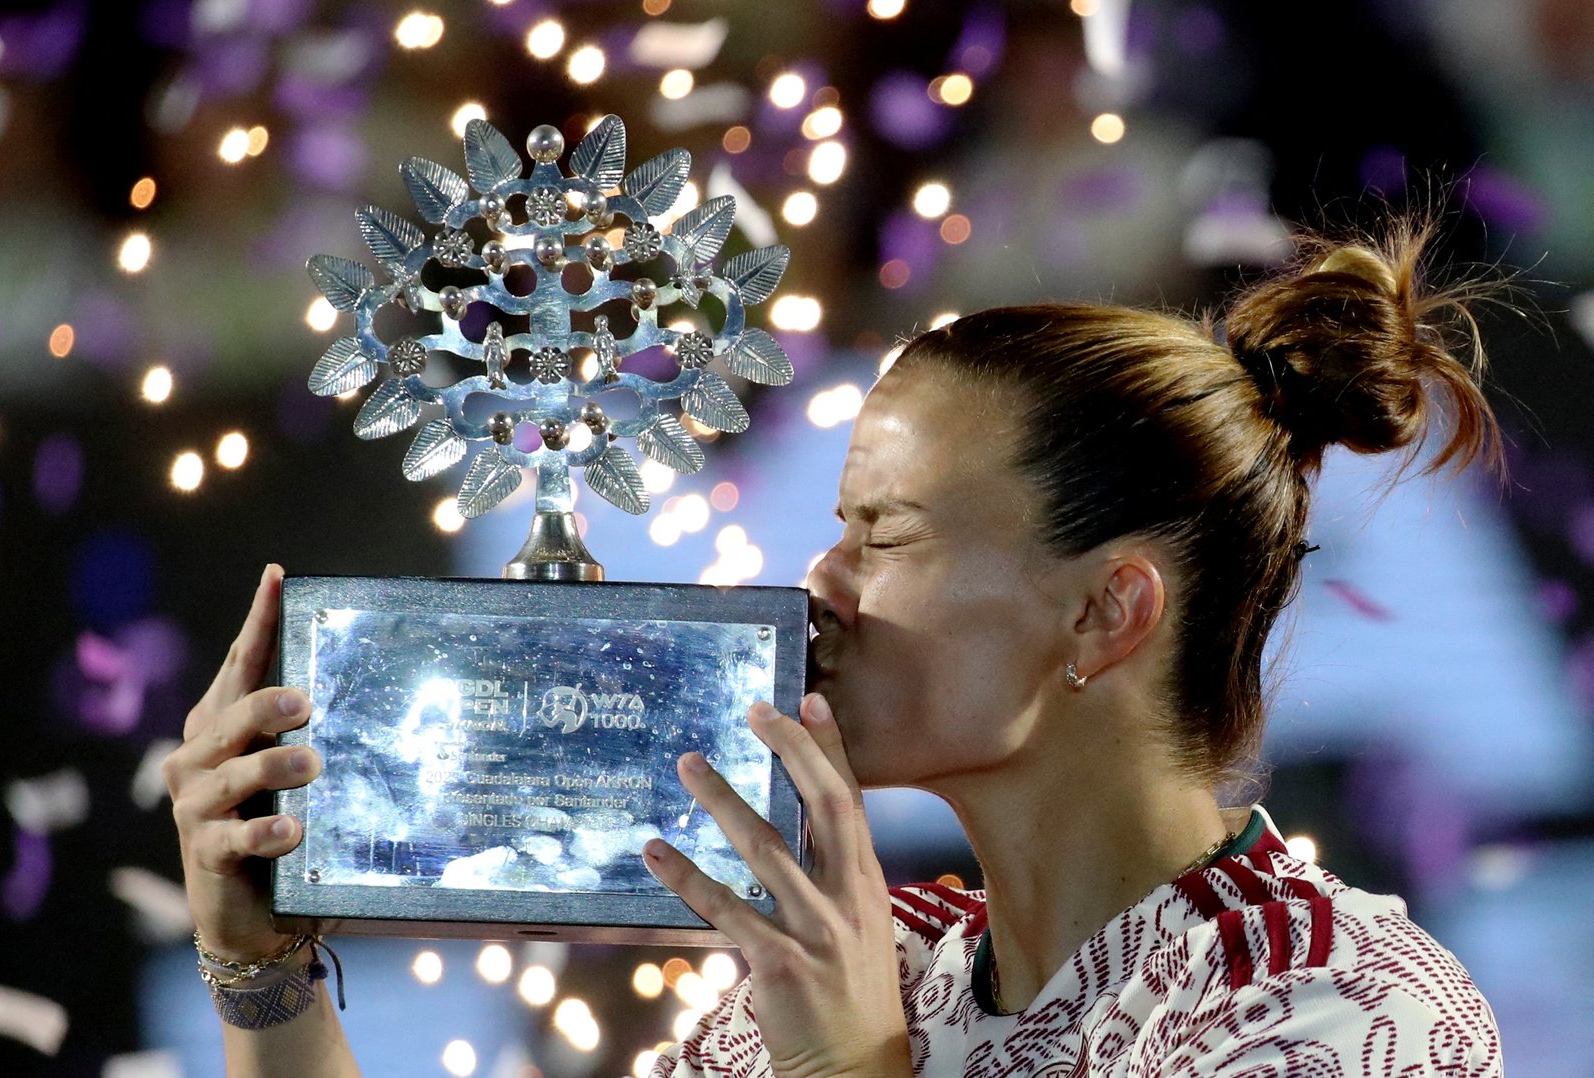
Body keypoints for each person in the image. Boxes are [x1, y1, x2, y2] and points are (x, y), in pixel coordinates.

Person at [164, 221, 1504, 1076]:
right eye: (834, 525)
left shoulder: (1340, 1012)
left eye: (886, 531)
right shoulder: (854, 963)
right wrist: (263, 975)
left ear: (1107, 611)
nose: (821, 581)